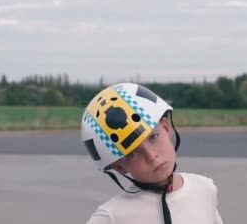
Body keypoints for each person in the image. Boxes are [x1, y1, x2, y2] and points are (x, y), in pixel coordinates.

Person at [81, 82, 223, 224]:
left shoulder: (204, 189)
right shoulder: (112, 216)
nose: (151, 156)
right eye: (133, 153)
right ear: (119, 167)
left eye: (153, 137)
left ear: (166, 128)